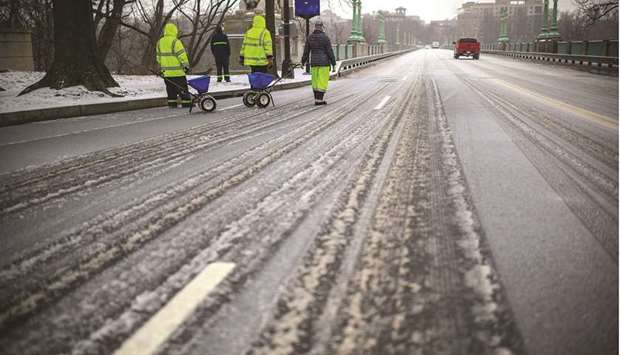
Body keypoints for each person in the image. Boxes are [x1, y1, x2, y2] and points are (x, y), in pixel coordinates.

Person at [156, 23, 192, 108]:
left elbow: (158, 58)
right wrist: (186, 66)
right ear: (174, 31)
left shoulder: (159, 42)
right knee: (182, 89)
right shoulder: (176, 42)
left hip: (167, 73)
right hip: (178, 72)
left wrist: (162, 69)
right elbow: (182, 55)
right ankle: (186, 103)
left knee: (170, 90)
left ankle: (172, 104)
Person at [301, 20, 336, 105]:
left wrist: (303, 62)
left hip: (314, 63)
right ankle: (319, 100)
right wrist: (333, 63)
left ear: (315, 27)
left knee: (315, 81)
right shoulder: (325, 38)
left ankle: (317, 99)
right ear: (322, 27)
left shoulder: (310, 37)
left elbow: (306, 51)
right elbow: (329, 51)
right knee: (322, 81)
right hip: (324, 63)